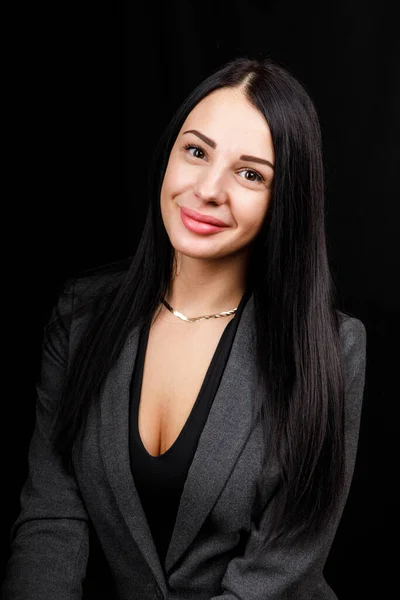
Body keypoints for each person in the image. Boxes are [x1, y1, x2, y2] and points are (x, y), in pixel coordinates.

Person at [2, 56, 367, 599]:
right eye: (196, 152)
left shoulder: (330, 348)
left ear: (285, 200)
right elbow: (53, 520)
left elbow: (280, 570)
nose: (208, 189)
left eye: (250, 174)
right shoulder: (82, 318)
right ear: (167, 158)